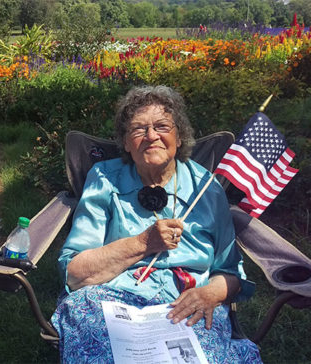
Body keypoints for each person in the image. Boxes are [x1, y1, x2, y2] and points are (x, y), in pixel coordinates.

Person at [50, 86, 262, 363]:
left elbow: (230, 270)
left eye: (162, 126)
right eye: (138, 129)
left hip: (187, 301)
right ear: (125, 142)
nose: (151, 136)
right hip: (111, 299)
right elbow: (75, 274)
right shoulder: (104, 179)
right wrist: (141, 243)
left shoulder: (207, 188)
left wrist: (210, 293)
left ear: (179, 135)